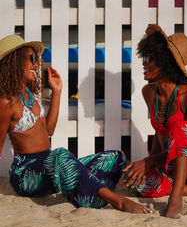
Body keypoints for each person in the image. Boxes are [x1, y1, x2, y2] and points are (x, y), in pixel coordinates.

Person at [0, 34, 153, 214]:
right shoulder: (5, 102)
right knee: (61, 155)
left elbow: (48, 130)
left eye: (37, 59)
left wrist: (57, 91)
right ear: (14, 61)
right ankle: (117, 201)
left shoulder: (31, 95)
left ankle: (86, 192)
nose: (36, 64)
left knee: (115, 158)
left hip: (52, 167)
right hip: (27, 173)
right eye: (32, 58)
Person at [123, 24, 187, 218]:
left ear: (166, 63)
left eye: (149, 58)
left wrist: (149, 162)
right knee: (136, 182)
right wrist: (150, 165)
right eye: (144, 57)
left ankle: (175, 198)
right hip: (173, 164)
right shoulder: (149, 92)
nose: (144, 63)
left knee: (181, 127)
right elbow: (160, 134)